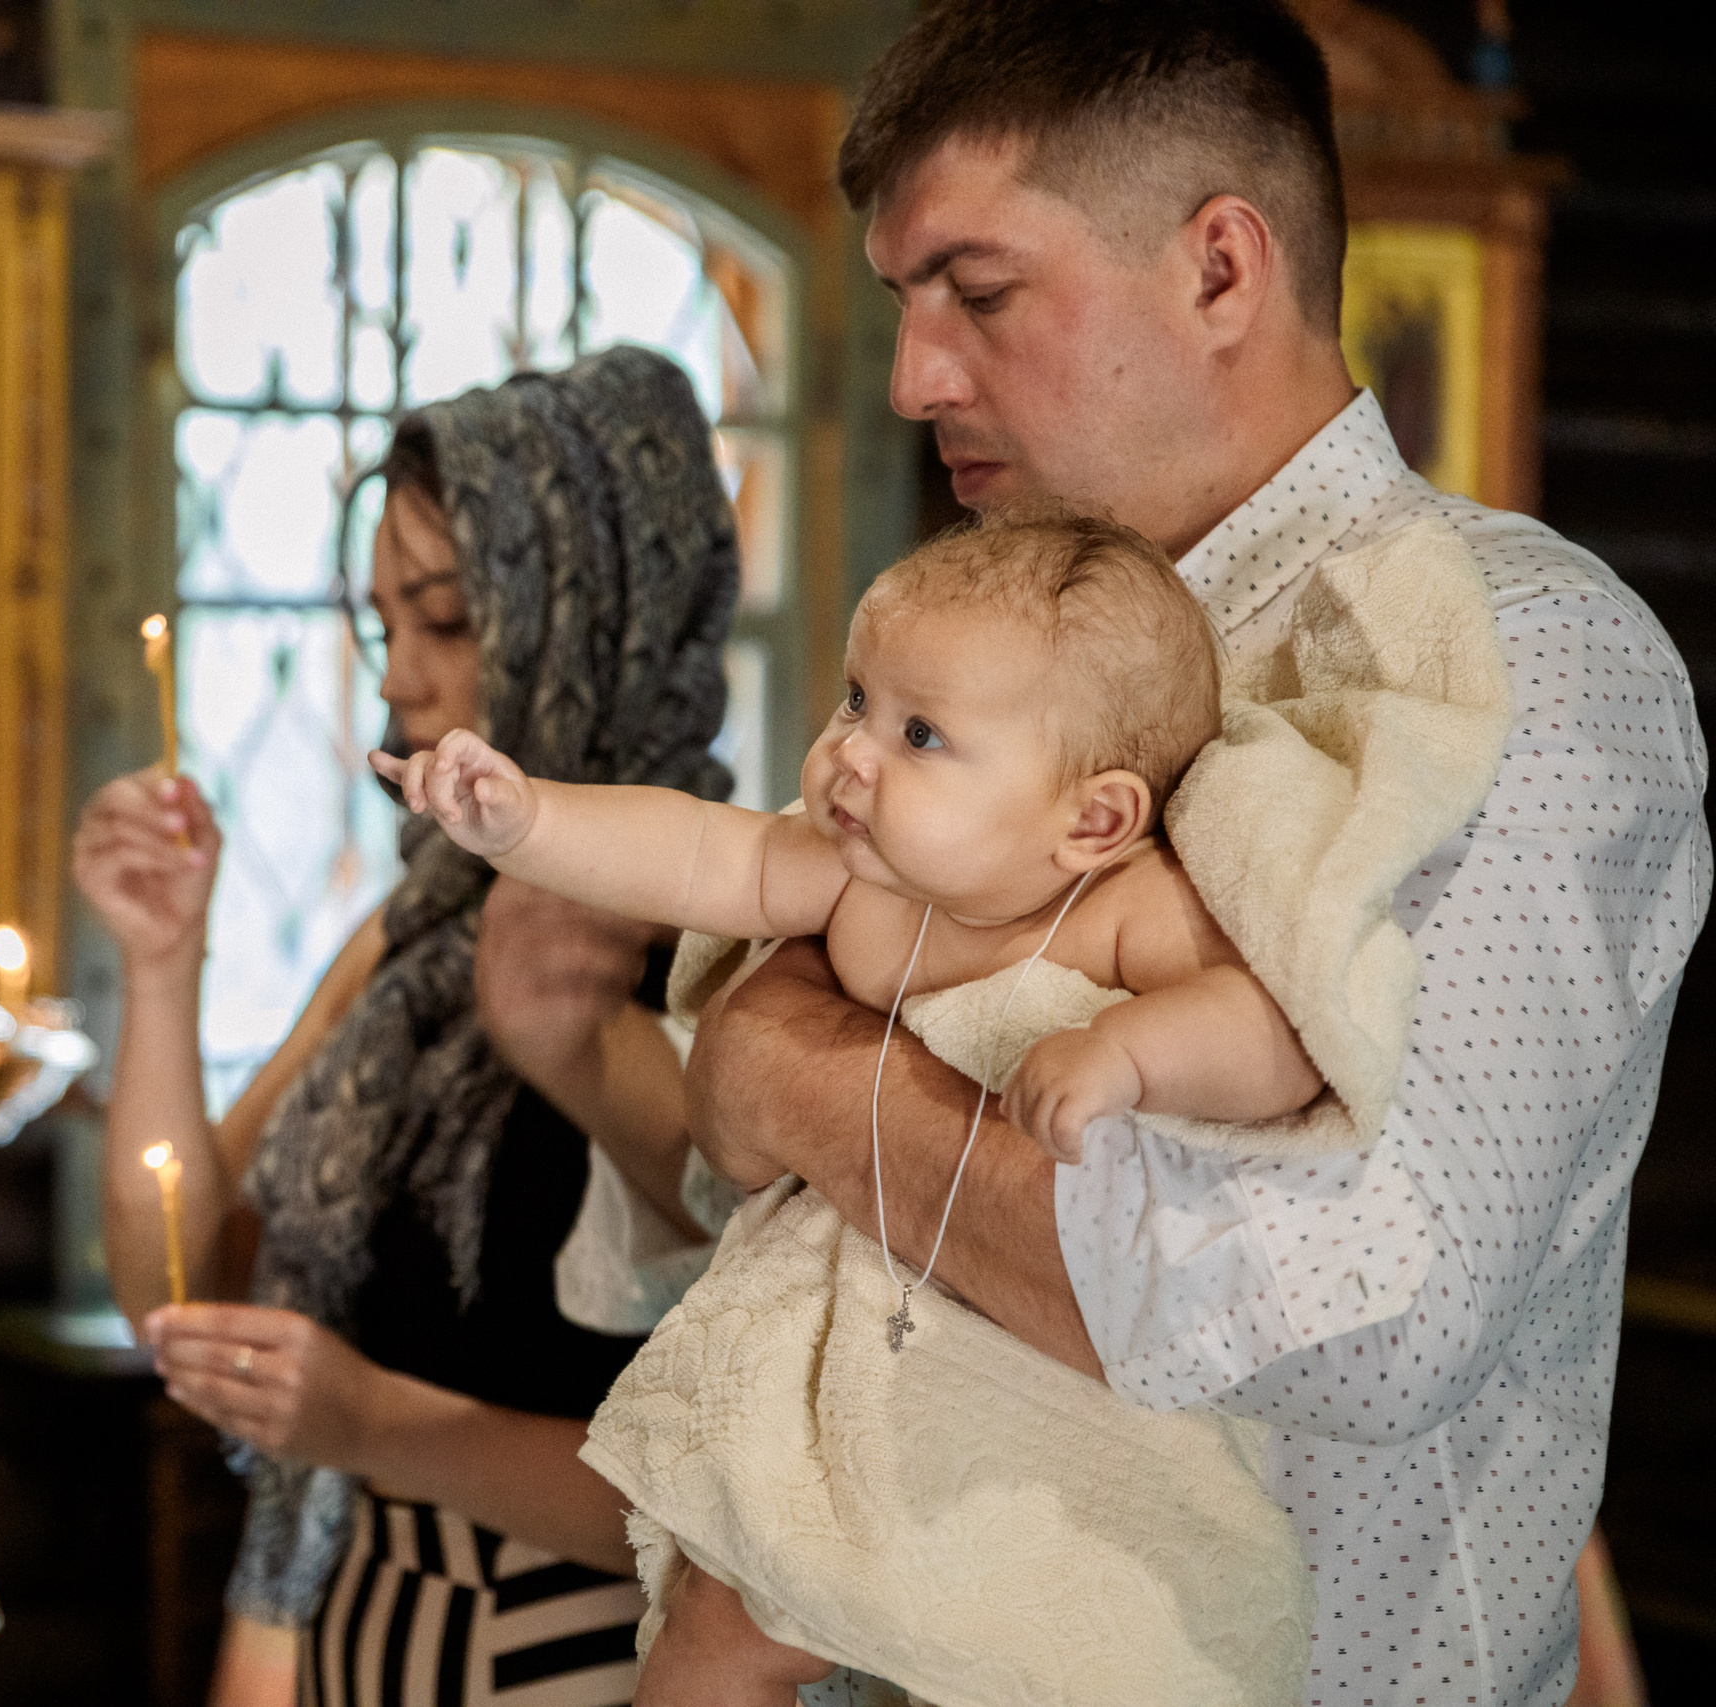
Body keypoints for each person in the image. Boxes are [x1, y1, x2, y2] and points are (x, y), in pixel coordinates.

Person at [550, 5, 1710, 1706]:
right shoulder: (980, 643)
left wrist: (806, 1069)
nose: (912, 378)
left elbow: (1363, 1303)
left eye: (981, 292)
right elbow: (734, 1187)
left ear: (1222, 270)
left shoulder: (1507, 665)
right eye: (902, 304)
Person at [71, 345, 738, 1707]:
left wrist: (376, 1423)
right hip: (368, 1625)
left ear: (581, 613)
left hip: (575, 1652)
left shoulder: (720, 937)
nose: (398, 685)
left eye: (444, 621)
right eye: (383, 628)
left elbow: (732, 1498)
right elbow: (178, 1284)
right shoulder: (421, 930)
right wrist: (160, 967)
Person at [378, 508, 1326, 1164]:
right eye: (857, 700)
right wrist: (527, 817)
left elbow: (1281, 1032)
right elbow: (697, 853)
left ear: (1093, 820)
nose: (848, 754)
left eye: (919, 735)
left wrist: (1126, 1055)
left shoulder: (1126, 905)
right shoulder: (863, 879)